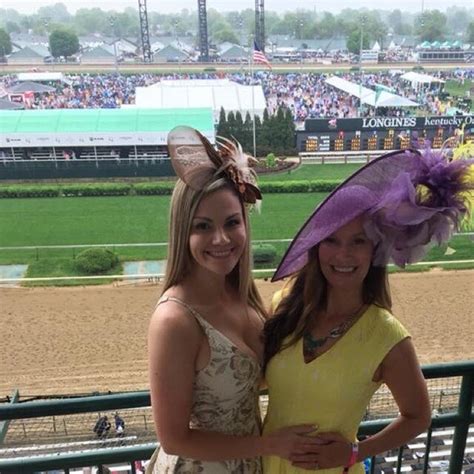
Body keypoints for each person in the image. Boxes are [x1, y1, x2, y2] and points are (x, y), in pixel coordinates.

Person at [262, 148, 472, 473]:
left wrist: (354, 453)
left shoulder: (387, 336)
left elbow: (418, 416)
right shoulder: (284, 307)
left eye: (358, 241)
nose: (342, 255)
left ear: (375, 248)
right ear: (317, 247)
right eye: (331, 240)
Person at [147, 126, 324, 473]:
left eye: (232, 222)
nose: (221, 238)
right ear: (182, 232)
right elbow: (174, 439)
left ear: (245, 222)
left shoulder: (245, 296)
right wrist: (270, 443)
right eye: (202, 226)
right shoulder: (174, 321)